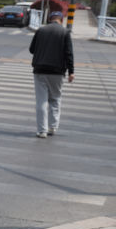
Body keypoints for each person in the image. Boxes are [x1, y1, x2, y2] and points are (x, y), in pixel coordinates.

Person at [28, 10, 75, 139]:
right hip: (57, 71)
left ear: (50, 19)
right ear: (61, 20)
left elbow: (32, 49)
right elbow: (69, 53)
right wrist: (71, 72)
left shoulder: (40, 31)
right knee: (55, 98)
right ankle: (52, 127)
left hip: (40, 69)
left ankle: (42, 131)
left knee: (41, 101)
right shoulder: (65, 32)